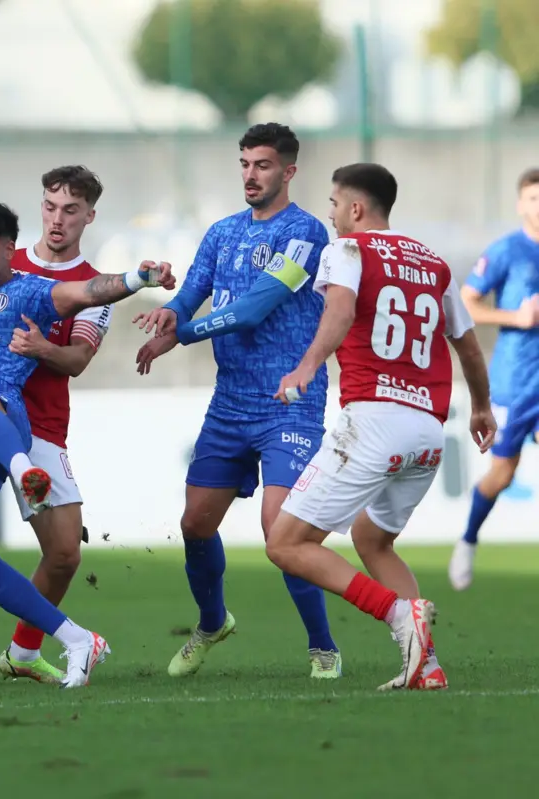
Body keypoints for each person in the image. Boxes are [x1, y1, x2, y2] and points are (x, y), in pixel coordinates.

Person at [0, 200, 174, 689]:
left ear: (10, 249)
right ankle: (73, 640)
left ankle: (19, 468)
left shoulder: (28, 292)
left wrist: (139, 278)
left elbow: (89, 290)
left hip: (4, 421)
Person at [265, 162, 495, 690]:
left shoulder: (346, 250)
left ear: (355, 208)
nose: (330, 214)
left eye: (333, 204)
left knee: (286, 544)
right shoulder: (434, 264)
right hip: (428, 431)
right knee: (374, 540)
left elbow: (341, 311)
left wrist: (307, 365)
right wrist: (481, 408)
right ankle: (426, 664)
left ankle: (396, 615)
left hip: (372, 422)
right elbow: (468, 346)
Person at [134, 123, 340, 679]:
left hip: (289, 401)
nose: (251, 174)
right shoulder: (222, 232)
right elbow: (190, 293)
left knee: (282, 532)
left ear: (289, 171)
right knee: (196, 525)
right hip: (230, 404)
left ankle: (323, 647)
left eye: (263, 165)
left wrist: (179, 334)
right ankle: (211, 622)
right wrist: (170, 313)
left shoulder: (306, 234)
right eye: (245, 163)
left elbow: (252, 310)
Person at [448, 168, 539, 591]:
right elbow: (467, 305)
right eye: (533, 199)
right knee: (502, 473)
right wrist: (516, 317)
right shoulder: (507, 251)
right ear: (521, 204)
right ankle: (467, 539)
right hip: (516, 381)